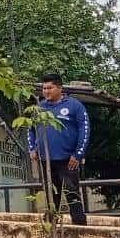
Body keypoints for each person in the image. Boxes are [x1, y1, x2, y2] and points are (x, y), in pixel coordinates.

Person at [28, 73, 90, 226]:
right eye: (44, 88)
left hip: (68, 159)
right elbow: (30, 129)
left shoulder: (74, 105)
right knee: (50, 195)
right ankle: (51, 223)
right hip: (46, 161)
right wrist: (32, 148)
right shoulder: (39, 108)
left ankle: (79, 225)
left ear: (59, 88)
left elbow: (85, 129)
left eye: (50, 87)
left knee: (72, 193)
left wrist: (78, 153)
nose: (46, 91)